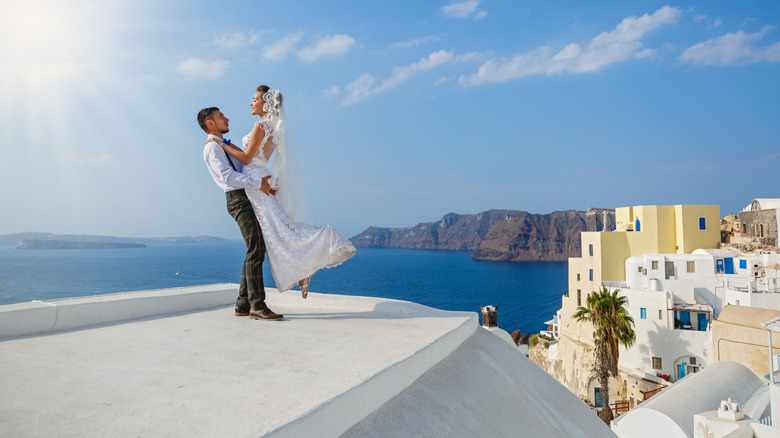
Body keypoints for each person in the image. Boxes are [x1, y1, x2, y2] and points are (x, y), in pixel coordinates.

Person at [210, 85, 356, 298]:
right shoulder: (273, 127)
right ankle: (302, 272)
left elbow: (247, 158)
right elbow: (255, 155)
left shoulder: (261, 125)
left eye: (254, 99)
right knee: (278, 230)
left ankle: (321, 247)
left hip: (256, 181)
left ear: (265, 103)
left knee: (276, 233)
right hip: (261, 175)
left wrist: (221, 143)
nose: (251, 103)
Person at [198, 106, 283, 321]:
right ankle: (257, 305)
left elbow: (244, 165)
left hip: (245, 197)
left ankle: (243, 304)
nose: (227, 118)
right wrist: (257, 183)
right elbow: (227, 177)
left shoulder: (223, 145)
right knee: (256, 249)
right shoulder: (212, 148)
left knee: (255, 248)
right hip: (237, 200)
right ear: (210, 123)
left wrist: (263, 180)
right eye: (220, 117)